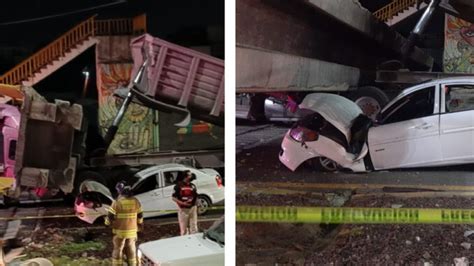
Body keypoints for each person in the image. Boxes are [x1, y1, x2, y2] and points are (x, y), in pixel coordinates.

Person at [105, 183, 143, 266]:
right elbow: (140, 216)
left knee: (118, 249)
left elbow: (110, 216)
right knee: (131, 249)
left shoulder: (117, 203)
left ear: (121, 192)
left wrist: (107, 224)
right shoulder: (136, 201)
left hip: (119, 232)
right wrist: (139, 225)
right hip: (132, 231)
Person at [172, 170, 198, 235]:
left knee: (194, 227)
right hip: (183, 210)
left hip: (193, 208)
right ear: (185, 177)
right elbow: (173, 198)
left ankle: (194, 241)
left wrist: (196, 204)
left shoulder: (193, 186)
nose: (191, 176)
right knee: (184, 229)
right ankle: (185, 242)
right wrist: (182, 203)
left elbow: (196, 196)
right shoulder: (178, 186)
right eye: (190, 175)